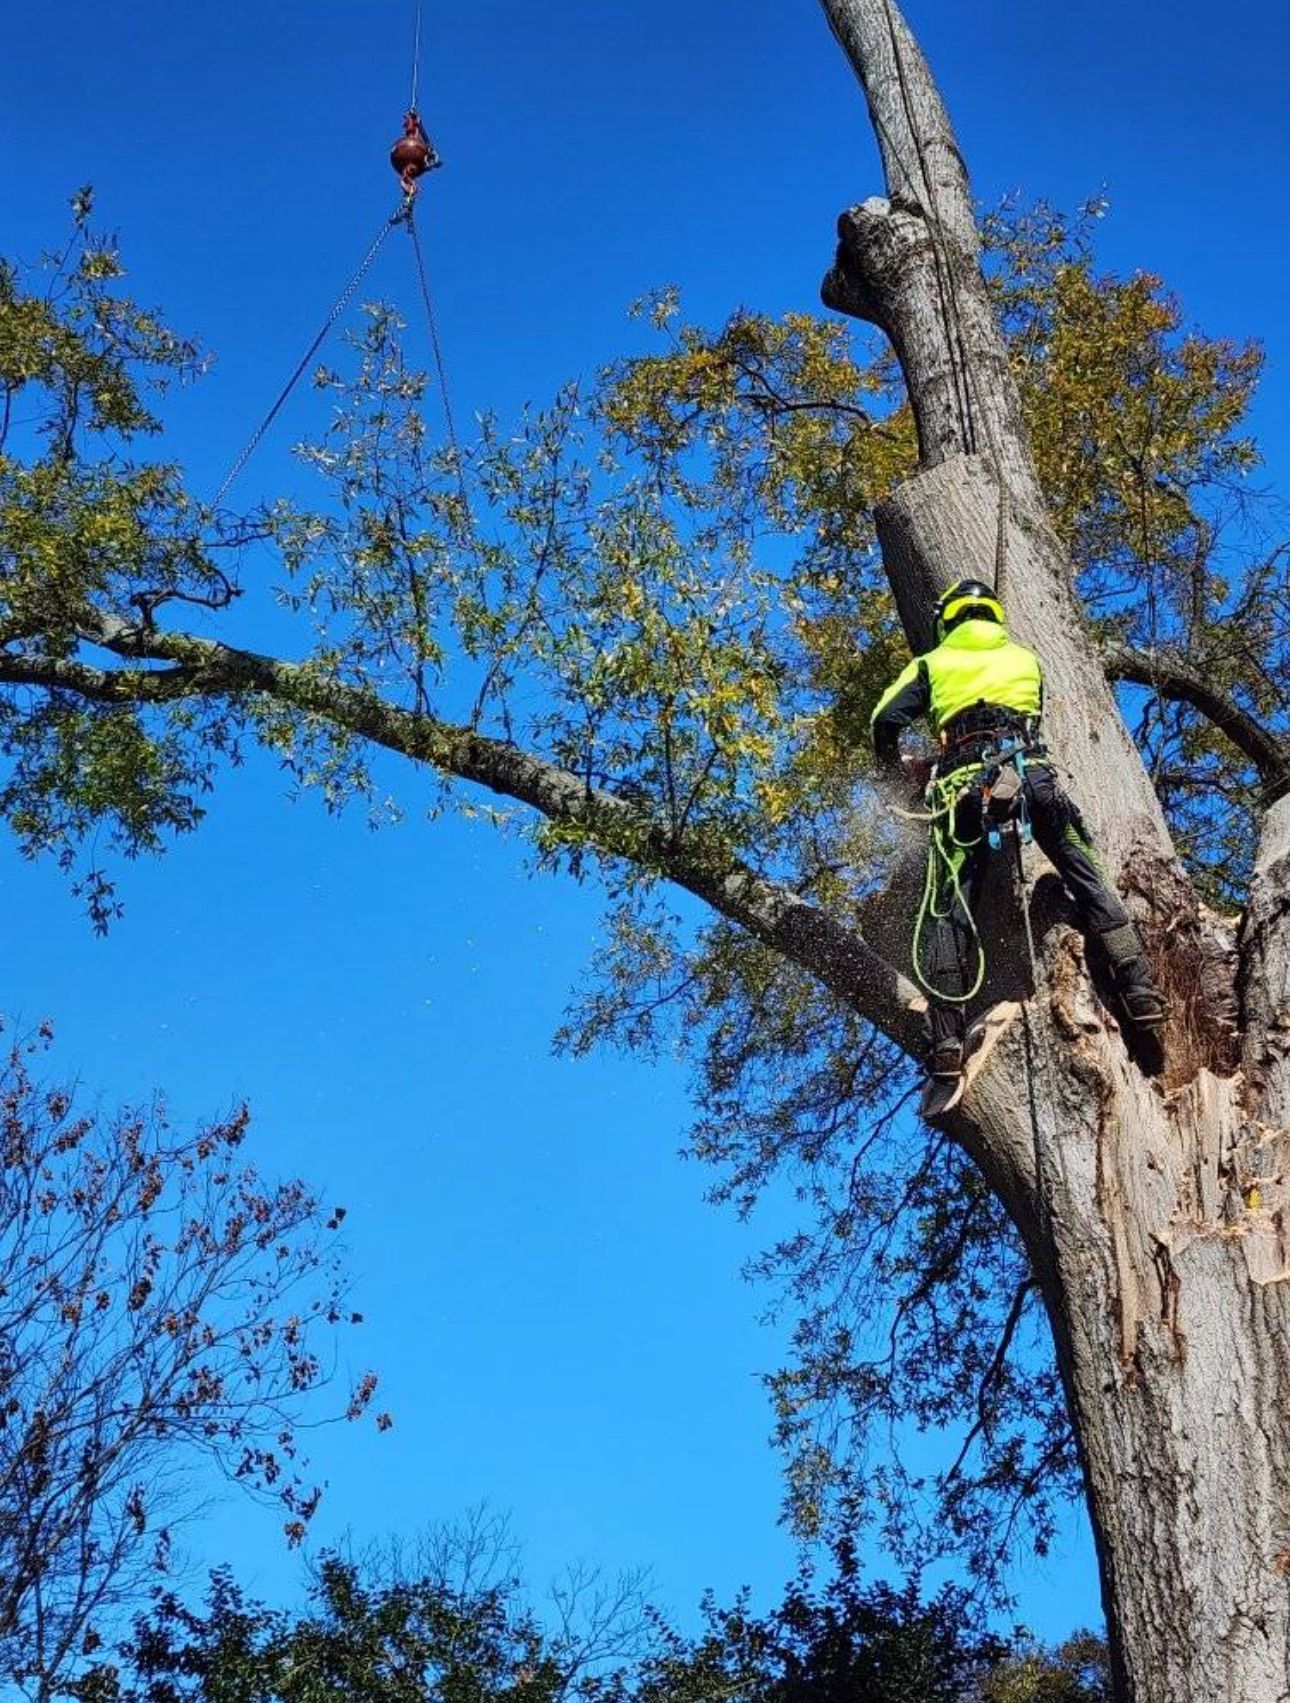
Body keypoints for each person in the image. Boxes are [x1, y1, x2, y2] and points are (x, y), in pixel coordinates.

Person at [870, 578, 1166, 1082]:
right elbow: (1034, 716)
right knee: (1086, 872)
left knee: (950, 906)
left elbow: (883, 720)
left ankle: (945, 1039)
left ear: (949, 619)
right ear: (992, 615)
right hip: (1032, 776)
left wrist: (900, 774)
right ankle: (1137, 985)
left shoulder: (932, 664)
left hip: (966, 788)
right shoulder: (1026, 660)